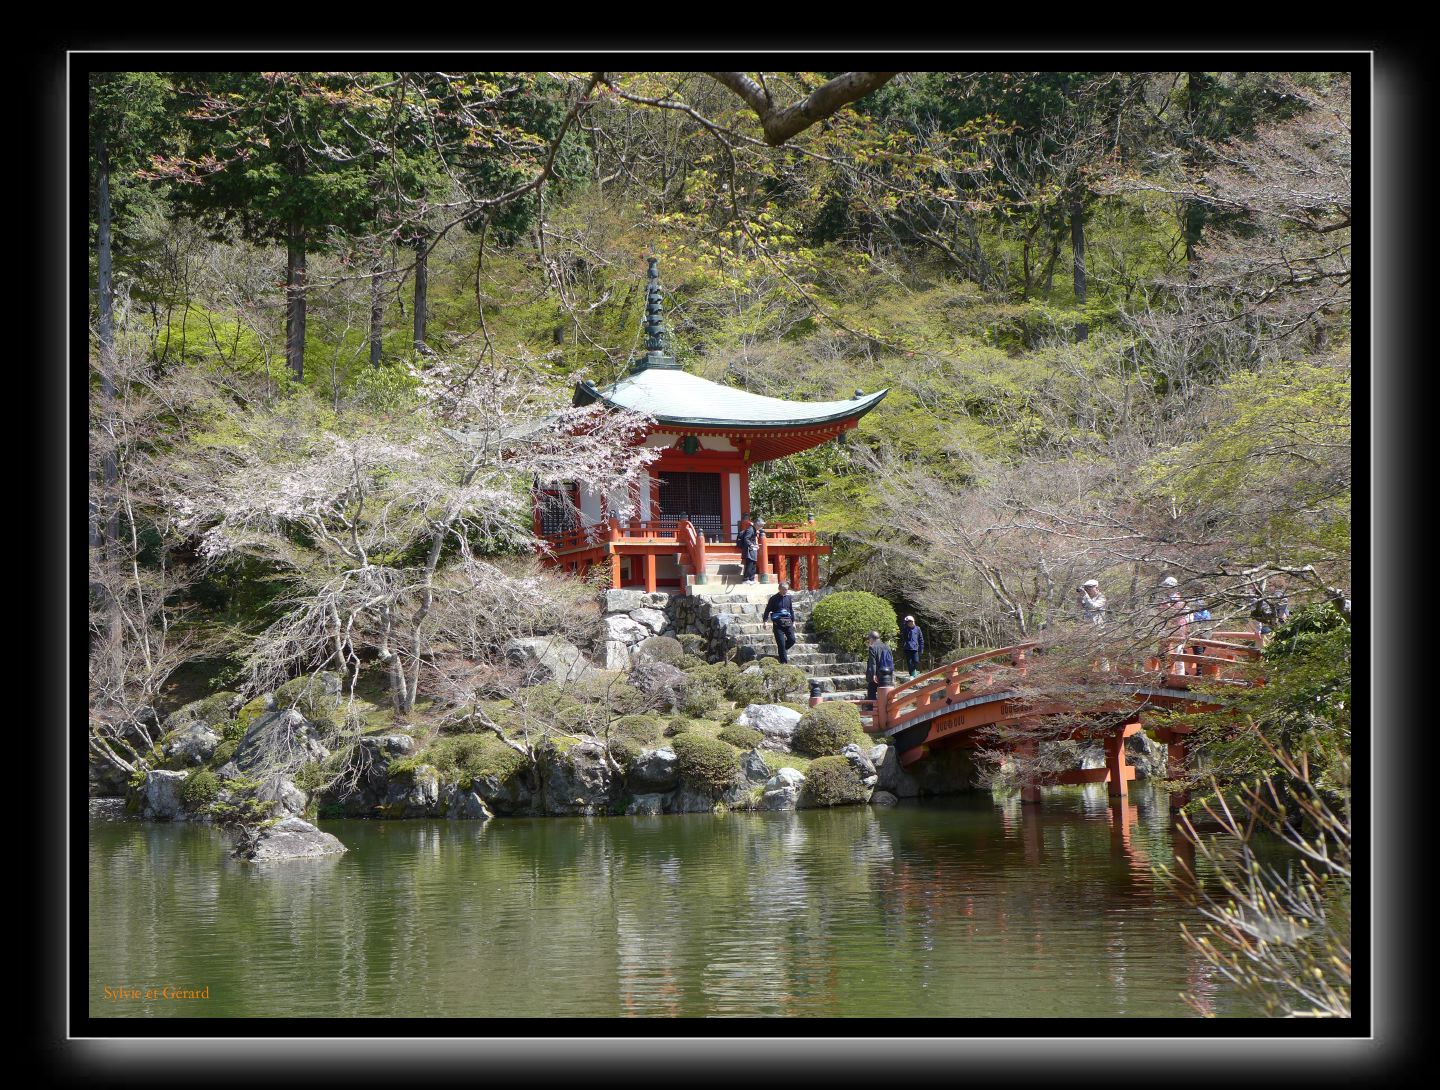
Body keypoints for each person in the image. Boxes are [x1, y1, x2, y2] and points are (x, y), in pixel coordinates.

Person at [762, 581, 796, 664]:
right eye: (784, 589)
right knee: (781, 643)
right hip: (778, 624)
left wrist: (793, 621)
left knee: (792, 640)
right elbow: (767, 610)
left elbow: (791, 610)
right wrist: (765, 621)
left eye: (787, 589)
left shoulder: (789, 598)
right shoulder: (773, 598)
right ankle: (784, 663)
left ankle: (782, 650)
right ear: (779, 589)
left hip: (788, 622)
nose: (786, 591)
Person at [1159, 576, 1188, 673]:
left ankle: (1180, 675)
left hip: (1178, 627)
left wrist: (1168, 607)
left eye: (1167, 586)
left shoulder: (1178, 599)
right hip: (1167, 627)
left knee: (1178, 652)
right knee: (1162, 651)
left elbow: (1181, 613)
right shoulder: (1165, 598)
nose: (1165, 588)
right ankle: (1164, 673)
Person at [865, 630, 895, 701]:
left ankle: (872, 709)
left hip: (877, 674)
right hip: (887, 673)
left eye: (869, 639)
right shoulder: (887, 646)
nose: (869, 641)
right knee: (886, 693)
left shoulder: (872, 647)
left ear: (872, 638)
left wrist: (873, 675)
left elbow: (873, 663)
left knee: (871, 691)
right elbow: (891, 660)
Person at [736, 514, 763, 584]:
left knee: (753, 564)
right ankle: (746, 579)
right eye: (760, 525)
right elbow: (746, 538)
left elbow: (753, 539)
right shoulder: (750, 529)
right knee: (749, 564)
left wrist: (756, 545)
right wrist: (751, 544)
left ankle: (752, 579)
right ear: (756, 524)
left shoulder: (754, 530)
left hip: (752, 549)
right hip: (749, 550)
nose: (761, 527)